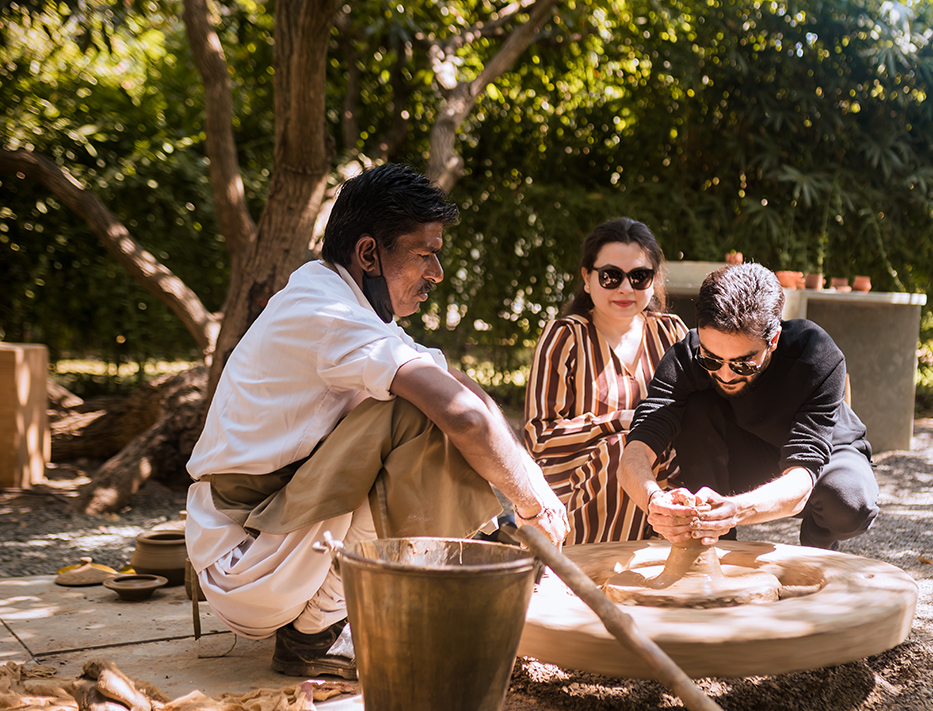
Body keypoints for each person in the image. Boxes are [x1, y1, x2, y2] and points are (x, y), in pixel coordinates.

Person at [185, 163, 568, 680]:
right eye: (424, 255)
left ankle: (459, 553)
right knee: (416, 411)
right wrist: (533, 502)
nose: (436, 273)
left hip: (272, 533)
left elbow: (465, 392)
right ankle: (314, 631)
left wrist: (534, 483)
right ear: (368, 253)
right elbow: (459, 414)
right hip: (246, 560)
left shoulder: (350, 304)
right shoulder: (328, 314)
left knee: (431, 399)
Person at [617, 262, 878, 550]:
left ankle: (818, 545)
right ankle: (716, 545)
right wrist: (653, 500)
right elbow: (636, 450)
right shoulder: (685, 357)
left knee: (849, 503)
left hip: (824, 453)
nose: (726, 375)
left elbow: (802, 478)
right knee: (696, 405)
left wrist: (736, 510)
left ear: (774, 340)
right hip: (742, 453)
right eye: (712, 359)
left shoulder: (815, 355)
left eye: (743, 363)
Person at [523, 218, 688, 545]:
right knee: (624, 450)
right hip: (584, 487)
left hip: (664, 479)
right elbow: (538, 438)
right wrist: (623, 424)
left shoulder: (672, 333)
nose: (626, 288)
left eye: (639, 276)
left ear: (654, 280)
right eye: (611, 276)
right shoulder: (565, 337)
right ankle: (593, 575)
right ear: (587, 278)